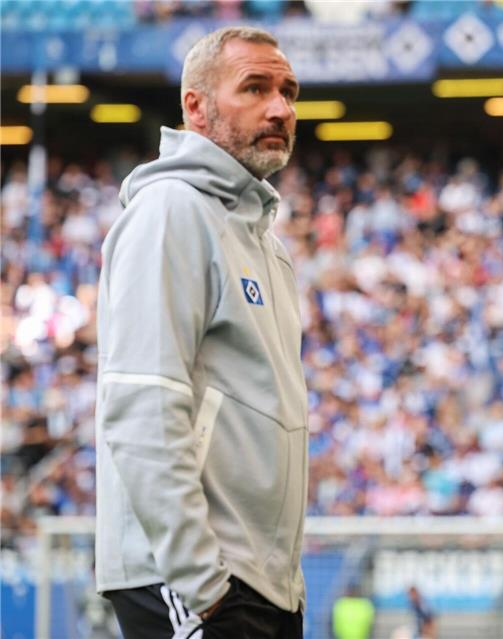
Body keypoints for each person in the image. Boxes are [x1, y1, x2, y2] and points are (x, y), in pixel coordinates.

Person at [95, 26, 307, 638]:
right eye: (255, 88)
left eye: (288, 91)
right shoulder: (170, 212)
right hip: (197, 581)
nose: (280, 108)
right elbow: (141, 403)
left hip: (261, 583)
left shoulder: (265, 242)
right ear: (195, 106)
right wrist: (203, 584)